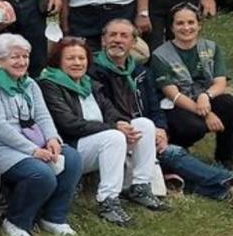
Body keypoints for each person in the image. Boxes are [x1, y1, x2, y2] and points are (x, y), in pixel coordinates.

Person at [91, 18, 233, 201]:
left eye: (124, 36)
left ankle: (219, 189)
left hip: (144, 130)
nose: (117, 40)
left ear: (133, 43)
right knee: (172, 154)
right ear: (103, 40)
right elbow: (101, 109)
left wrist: (160, 129)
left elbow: (154, 106)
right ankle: (225, 181)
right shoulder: (93, 70)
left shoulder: (140, 71)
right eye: (112, 35)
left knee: (167, 150)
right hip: (116, 132)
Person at [0, 34, 83, 236]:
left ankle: (54, 217)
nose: (22, 62)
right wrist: (32, 150)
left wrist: (52, 139)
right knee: (40, 174)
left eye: (25, 56)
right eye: (15, 57)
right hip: (2, 147)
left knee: (72, 158)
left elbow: (42, 115)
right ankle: (17, 221)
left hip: (34, 142)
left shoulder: (29, 83)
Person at [39, 37, 161, 226]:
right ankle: (108, 201)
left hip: (101, 141)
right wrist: (113, 127)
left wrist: (121, 123)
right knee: (113, 137)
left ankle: (140, 186)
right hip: (72, 147)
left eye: (82, 58)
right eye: (71, 58)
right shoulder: (49, 84)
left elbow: (109, 110)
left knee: (144, 125)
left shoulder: (88, 83)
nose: (78, 63)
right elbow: (68, 124)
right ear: (59, 61)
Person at [151, 3, 233, 170]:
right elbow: (172, 93)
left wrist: (206, 96)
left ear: (199, 25)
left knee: (228, 103)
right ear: (172, 27)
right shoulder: (160, 55)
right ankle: (174, 150)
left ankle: (225, 158)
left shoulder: (211, 48)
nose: (186, 27)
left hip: (204, 99)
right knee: (193, 127)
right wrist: (207, 114)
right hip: (176, 104)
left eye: (191, 22)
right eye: (180, 23)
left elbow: (220, 82)